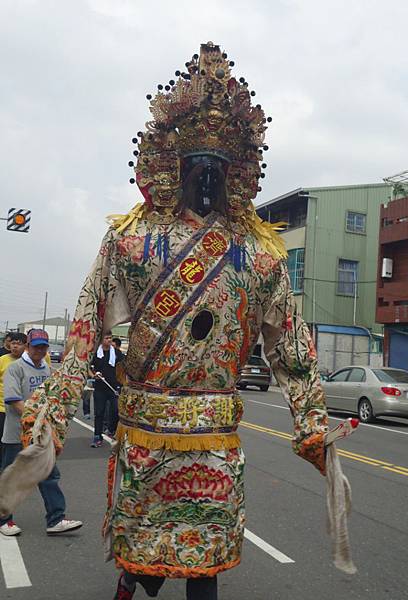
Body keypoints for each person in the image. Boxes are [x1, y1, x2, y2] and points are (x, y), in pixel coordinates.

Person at [7, 43, 343, 599]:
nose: (208, 178)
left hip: (214, 439)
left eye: (220, 167)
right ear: (171, 164)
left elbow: (291, 349)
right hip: (145, 436)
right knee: (140, 560)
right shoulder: (131, 240)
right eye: (197, 166)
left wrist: (311, 424)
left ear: (238, 172)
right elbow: (86, 331)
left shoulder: (259, 255)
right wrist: (52, 413)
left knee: (204, 567)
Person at [0, 329, 82, 536]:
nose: (39, 350)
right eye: (36, 346)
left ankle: (56, 519)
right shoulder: (15, 368)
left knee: (49, 474)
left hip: (42, 434)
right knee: (12, 474)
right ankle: (4, 520)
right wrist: (35, 417)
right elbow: (13, 401)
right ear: (28, 346)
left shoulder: (47, 369)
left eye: (43, 347)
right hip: (16, 432)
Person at [90, 331, 123, 447]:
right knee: (99, 413)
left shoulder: (117, 353)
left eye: (110, 338)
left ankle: (112, 430)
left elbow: (123, 368)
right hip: (100, 388)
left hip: (114, 387)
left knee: (115, 411)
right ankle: (97, 436)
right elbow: (89, 367)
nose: (109, 340)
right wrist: (94, 374)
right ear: (101, 340)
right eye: (107, 338)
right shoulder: (95, 353)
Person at [0, 333, 27, 464]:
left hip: (23, 408)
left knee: (21, 441)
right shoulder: (3, 360)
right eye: (13, 343)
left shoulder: (31, 361)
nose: (15, 346)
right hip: (2, 408)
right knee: (5, 441)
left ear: (26, 346)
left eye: (19, 343)